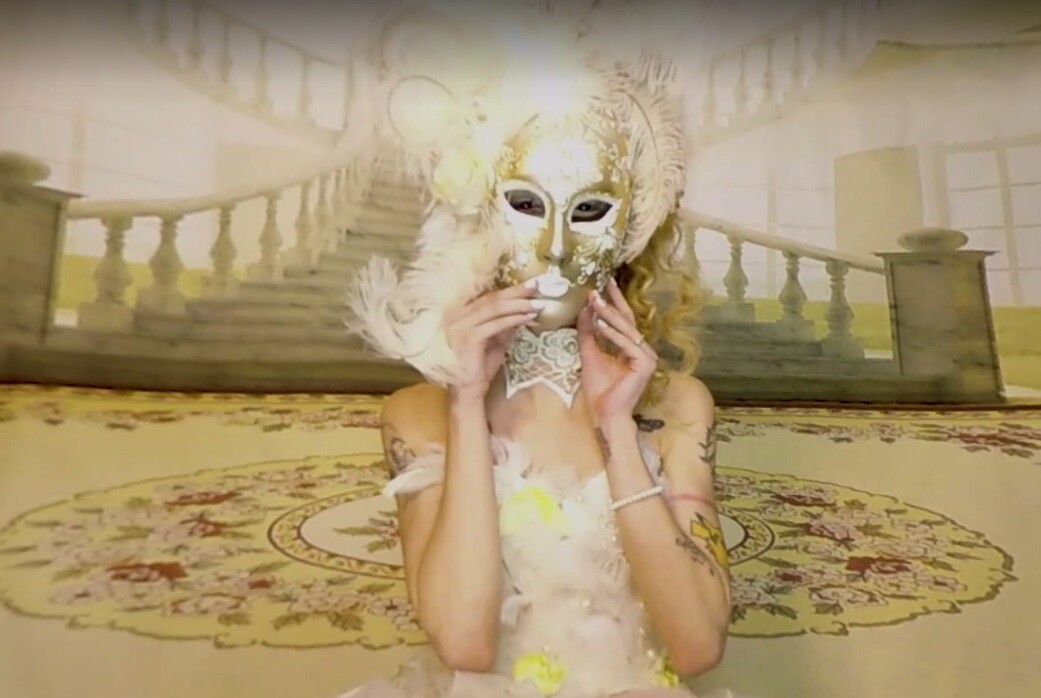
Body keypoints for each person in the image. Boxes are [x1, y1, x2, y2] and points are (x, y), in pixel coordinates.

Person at [343, 2, 741, 695]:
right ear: (480, 213)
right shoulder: (416, 415)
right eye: (527, 204)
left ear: (630, 227)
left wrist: (617, 429)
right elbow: (464, 643)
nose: (556, 247)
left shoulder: (676, 408)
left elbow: (697, 644)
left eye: (588, 210)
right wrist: (466, 402)